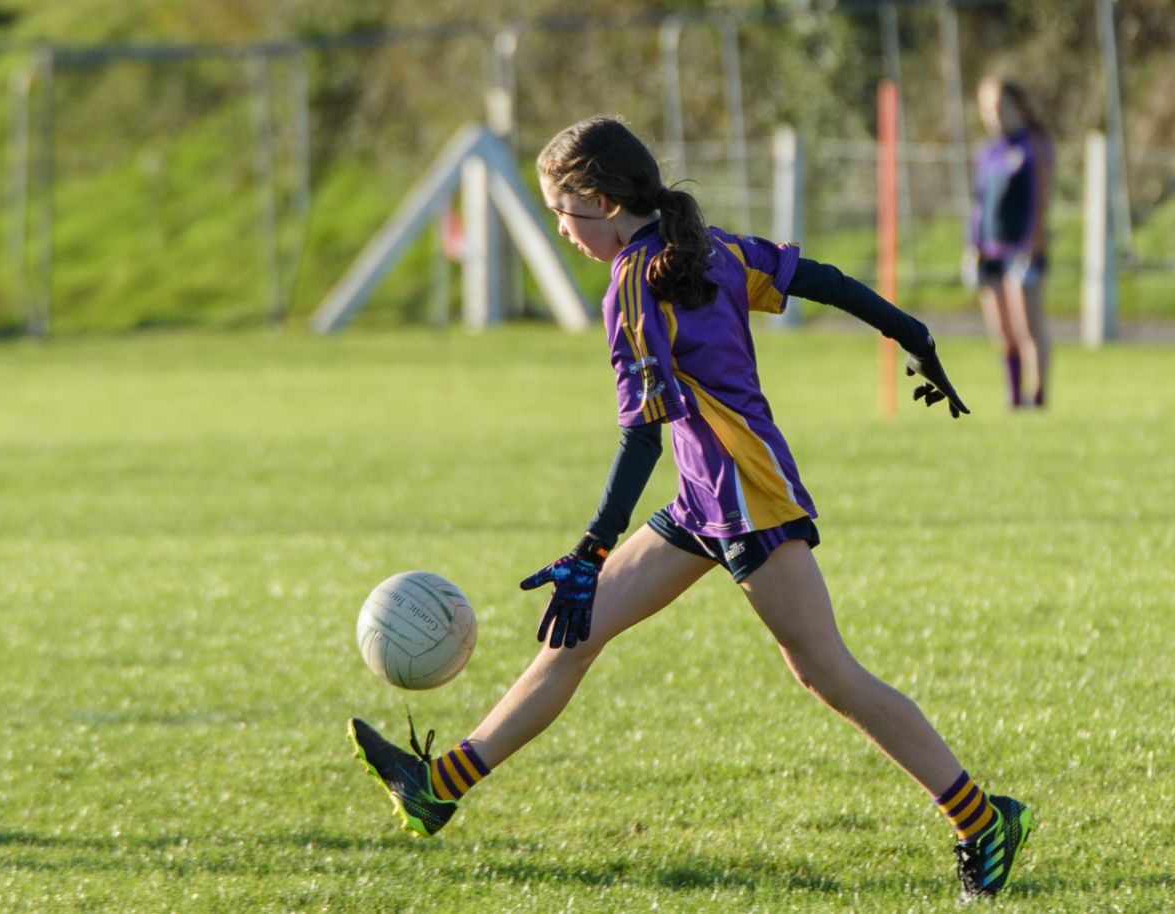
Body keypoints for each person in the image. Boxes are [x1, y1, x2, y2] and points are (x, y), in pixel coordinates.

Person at [348, 116, 1032, 902]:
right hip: (706, 499)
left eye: (561, 213)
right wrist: (912, 334)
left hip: (746, 499)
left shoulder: (635, 285)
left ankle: (983, 820)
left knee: (828, 673)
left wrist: (589, 547)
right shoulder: (714, 247)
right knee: (579, 635)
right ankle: (441, 788)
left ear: (601, 203)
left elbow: (640, 435)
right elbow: (825, 279)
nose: (561, 230)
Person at [971, 75, 1055, 408]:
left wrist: (1031, 247)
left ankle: (1038, 398)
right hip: (990, 251)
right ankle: (1014, 399)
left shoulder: (1032, 146)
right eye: (987, 109)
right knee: (1002, 331)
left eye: (999, 107)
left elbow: (1040, 200)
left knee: (1027, 329)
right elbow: (977, 203)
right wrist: (972, 246)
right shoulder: (989, 151)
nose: (993, 115)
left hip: (1021, 252)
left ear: (1016, 106)